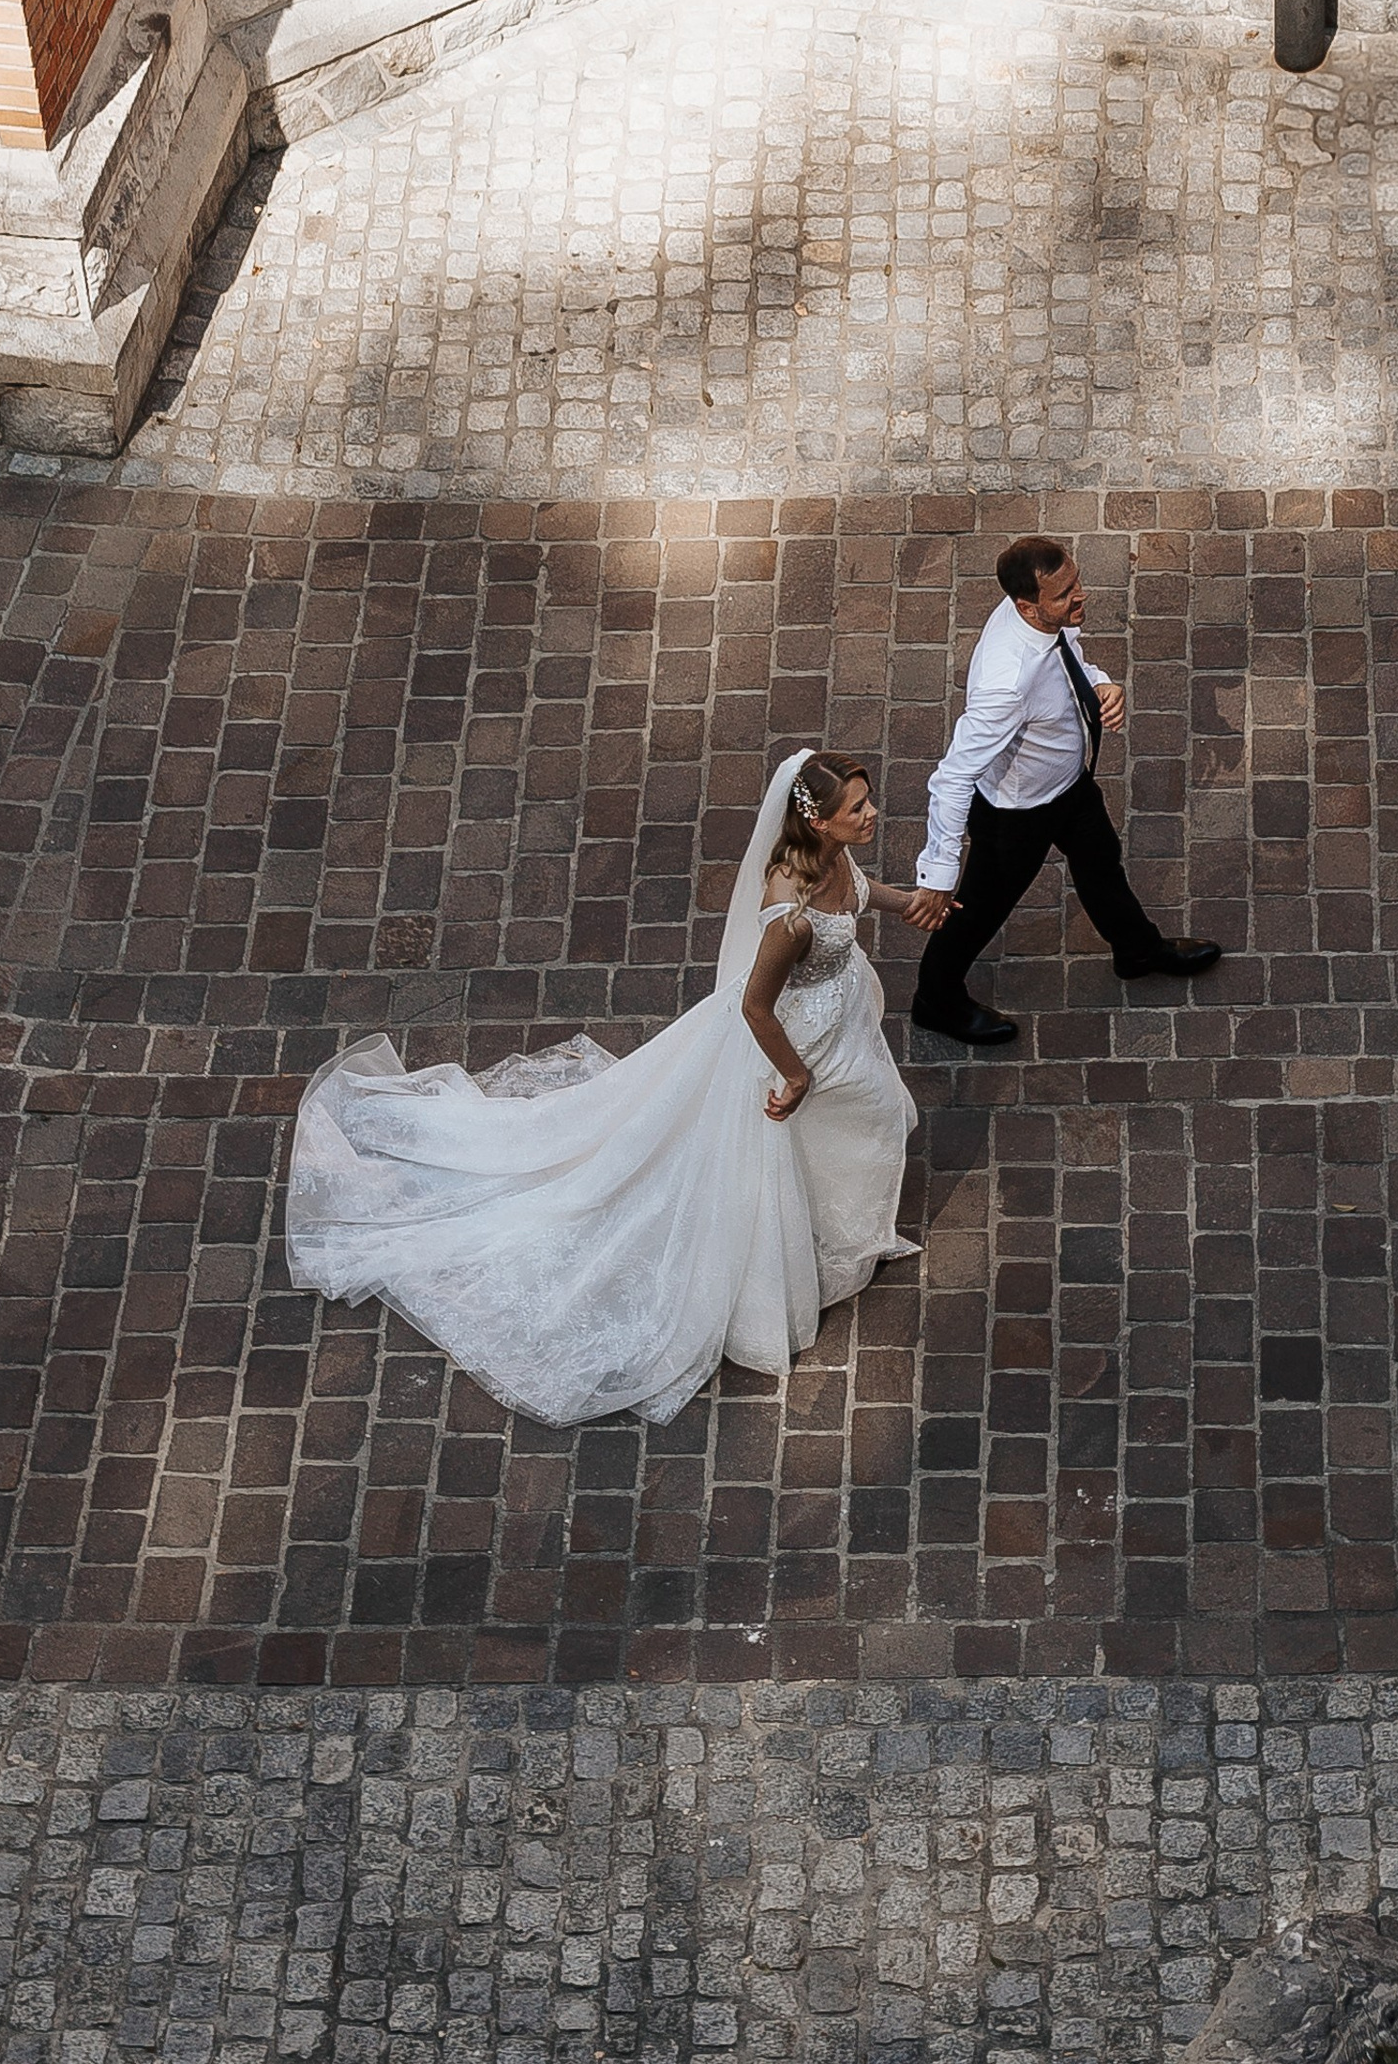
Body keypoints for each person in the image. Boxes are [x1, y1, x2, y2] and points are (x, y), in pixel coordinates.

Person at [283, 749, 939, 1427]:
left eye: (866, 800)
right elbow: (754, 1007)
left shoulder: (832, 857)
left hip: (837, 1025)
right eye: (857, 807)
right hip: (793, 1043)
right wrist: (795, 1075)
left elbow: (856, 892)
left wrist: (909, 903)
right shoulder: (790, 916)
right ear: (820, 822)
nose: (871, 813)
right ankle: (805, 1234)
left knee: (867, 1114)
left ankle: (838, 1220)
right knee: (849, 1119)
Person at [910, 533, 1221, 1048]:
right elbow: (953, 777)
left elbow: (1067, 660)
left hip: (1069, 787)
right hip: (1017, 814)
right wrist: (938, 874)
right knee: (979, 911)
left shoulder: (1044, 620)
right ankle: (934, 1001)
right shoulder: (1005, 685)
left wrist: (1102, 683)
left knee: (1101, 865)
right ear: (1026, 606)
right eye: (1065, 594)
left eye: (1076, 582)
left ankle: (1137, 951)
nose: (1081, 596)